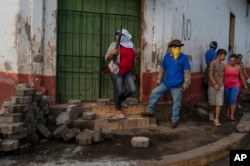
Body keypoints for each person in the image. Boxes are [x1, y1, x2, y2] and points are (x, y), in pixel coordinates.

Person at [142, 39, 191, 129]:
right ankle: (150, 111)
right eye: (175, 46)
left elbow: (187, 72)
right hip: (166, 83)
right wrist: (159, 80)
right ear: (171, 47)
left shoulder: (184, 58)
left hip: (177, 85)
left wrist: (186, 84)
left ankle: (174, 120)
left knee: (177, 102)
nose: (176, 48)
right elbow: (162, 69)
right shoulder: (167, 57)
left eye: (178, 47)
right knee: (154, 93)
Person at [105, 29, 147, 119]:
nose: (120, 37)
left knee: (132, 89)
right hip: (117, 72)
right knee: (118, 91)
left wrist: (142, 46)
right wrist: (112, 53)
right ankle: (118, 111)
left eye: (122, 36)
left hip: (128, 71)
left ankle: (120, 100)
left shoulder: (130, 45)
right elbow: (107, 58)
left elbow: (135, 52)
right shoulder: (114, 45)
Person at [224, 54, 248, 121]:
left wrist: (245, 84)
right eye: (231, 61)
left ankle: (232, 115)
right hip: (226, 85)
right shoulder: (225, 66)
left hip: (235, 85)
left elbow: (242, 76)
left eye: (233, 61)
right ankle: (228, 110)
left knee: (233, 99)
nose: (232, 62)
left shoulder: (238, 67)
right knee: (227, 99)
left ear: (236, 61)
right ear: (229, 60)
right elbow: (222, 75)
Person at [207, 48, 227, 127]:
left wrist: (221, 83)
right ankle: (210, 112)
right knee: (212, 102)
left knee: (219, 102)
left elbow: (223, 75)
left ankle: (216, 119)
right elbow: (210, 74)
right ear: (219, 55)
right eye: (224, 55)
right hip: (212, 86)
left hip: (221, 86)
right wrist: (215, 83)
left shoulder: (223, 65)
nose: (225, 57)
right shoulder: (213, 63)